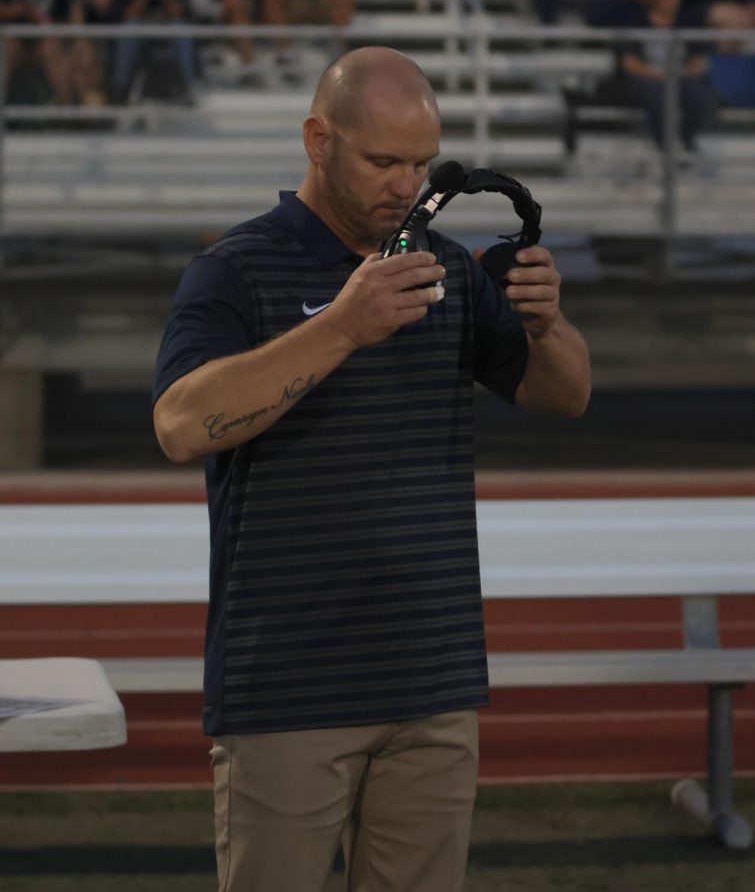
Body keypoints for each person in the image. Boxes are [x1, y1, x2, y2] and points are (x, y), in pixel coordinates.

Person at [152, 44, 591, 892]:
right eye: (384, 161)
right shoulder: (234, 269)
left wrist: (546, 325)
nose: (408, 184)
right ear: (319, 141)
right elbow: (179, 424)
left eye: (423, 162)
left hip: (433, 674)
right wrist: (342, 326)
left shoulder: (449, 270)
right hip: (287, 684)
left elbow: (563, 395)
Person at [619, 0, 717, 152]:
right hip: (648, 76)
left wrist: (682, 73)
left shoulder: (686, 22)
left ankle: (685, 139)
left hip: (679, 75)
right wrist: (657, 74)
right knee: (656, 90)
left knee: (699, 93)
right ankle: (666, 146)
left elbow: (698, 61)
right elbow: (629, 63)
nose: (675, 1)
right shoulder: (636, 21)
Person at [108, 0, 194, 102]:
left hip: (167, 25)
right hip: (141, 26)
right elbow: (129, 14)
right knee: (130, 28)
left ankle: (188, 85)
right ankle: (121, 86)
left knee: (181, 28)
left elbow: (179, 14)